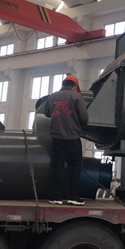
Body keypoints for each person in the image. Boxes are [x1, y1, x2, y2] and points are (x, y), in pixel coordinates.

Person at [44, 75, 89, 206]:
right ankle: (73, 196)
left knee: (58, 165)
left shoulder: (52, 97)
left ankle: (57, 196)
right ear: (75, 87)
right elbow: (84, 118)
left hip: (57, 137)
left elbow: (47, 113)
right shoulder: (77, 97)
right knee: (75, 165)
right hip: (72, 137)